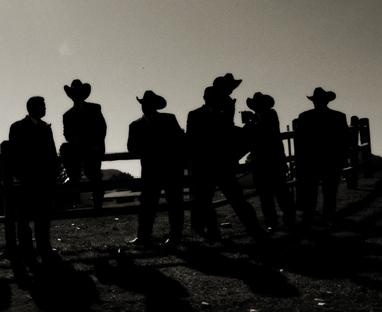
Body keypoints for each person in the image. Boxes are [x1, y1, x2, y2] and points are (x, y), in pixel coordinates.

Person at [186, 86, 268, 243]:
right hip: (207, 167)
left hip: (220, 167)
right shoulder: (198, 115)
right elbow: (195, 141)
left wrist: (246, 128)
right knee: (209, 202)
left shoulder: (214, 116)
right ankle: (215, 231)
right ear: (208, 99)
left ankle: (252, 229)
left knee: (235, 200)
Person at [126, 91, 185, 246]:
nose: (146, 107)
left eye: (149, 104)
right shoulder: (135, 125)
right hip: (151, 172)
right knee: (147, 205)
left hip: (170, 169)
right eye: (144, 104)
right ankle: (143, 237)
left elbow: (179, 141)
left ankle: (175, 236)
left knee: (175, 204)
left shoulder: (168, 119)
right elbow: (131, 148)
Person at [9, 96, 59, 257]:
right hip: (28, 179)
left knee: (43, 214)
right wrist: (21, 174)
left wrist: (53, 173)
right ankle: (25, 246)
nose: (45, 108)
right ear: (32, 108)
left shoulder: (45, 127)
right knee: (24, 215)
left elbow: (52, 153)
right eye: (42, 106)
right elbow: (15, 154)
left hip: (45, 179)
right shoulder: (17, 127)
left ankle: (44, 245)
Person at [295, 87, 350, 226]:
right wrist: (300, 160)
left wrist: (343, 159)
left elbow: (345, 140)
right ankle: (310, 218)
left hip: (331, 160)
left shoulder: (338, 117)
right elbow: (299, 141)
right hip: (312, 160)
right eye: (315, 100)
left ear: (326, 101)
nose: (317, 103)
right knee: (310, 191)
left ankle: (327, 218)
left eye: (319, 100)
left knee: (329, 191)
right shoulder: (305, 117)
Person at [243, 92, 296, 230]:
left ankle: (287, 218)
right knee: (267, 194)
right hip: (262, 162)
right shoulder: (257, 120)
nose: (256, 107)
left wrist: (252, 120)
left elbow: (263, 120)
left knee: (280, 192)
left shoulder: (270, 114)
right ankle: (273, 221)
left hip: (272, 161)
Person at [60, 79, 107, 212]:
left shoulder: (94, 108)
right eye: (74, 93)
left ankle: (97, 204)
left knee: (94, 174)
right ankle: (73, 175)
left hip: (92, 148)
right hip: (79, 148)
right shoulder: (67, 115)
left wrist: (94, 144)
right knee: (65, 148)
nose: (76, 96)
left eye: (78, 93)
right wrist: (76, 140)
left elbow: (101, 129)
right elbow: (67, 134)